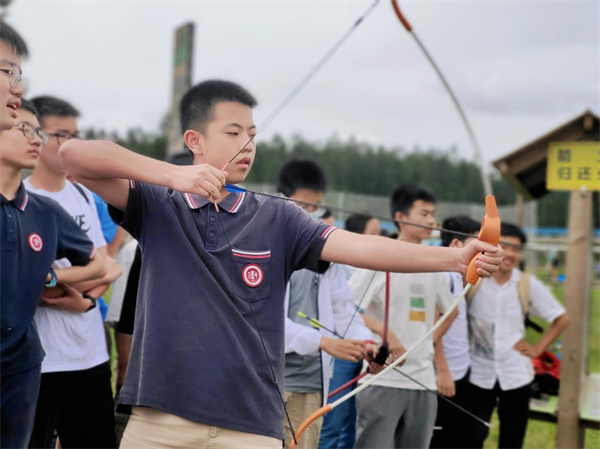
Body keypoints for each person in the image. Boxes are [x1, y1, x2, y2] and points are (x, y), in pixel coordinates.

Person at [59, 79, 503, 448]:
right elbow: (73, 157)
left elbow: (358, 246)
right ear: (194, 140)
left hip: (251, 424)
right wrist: (175, 176)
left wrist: (453, 256)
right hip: (161, 418)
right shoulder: (158, 202)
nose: (247, 144)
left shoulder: (278, 216)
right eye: (233, 133)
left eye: (252, 134)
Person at [0, 93, 104, 446]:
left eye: (37, 131)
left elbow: (101, 264)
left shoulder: (45, 211)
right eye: (23, 128)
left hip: (24, 364)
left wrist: (49, 277)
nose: (35, 139)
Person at [25, 96, 120, 448]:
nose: (71, 146)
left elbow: (108, 266)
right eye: (61, 135)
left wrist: (84, 300)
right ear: (33, 135)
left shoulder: (82, 193)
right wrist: (67, 291)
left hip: (89, 353)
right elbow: (26, 282)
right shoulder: (22, 198)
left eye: (76, 136)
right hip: (40, 361)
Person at [277, 160, 377, 449]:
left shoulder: (323, 251)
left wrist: (365, 342)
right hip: (270, 382)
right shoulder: (266, 242)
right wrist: (323, 342)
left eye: (317, 207)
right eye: (305, 206)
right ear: (283, 199)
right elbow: (264, 321)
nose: (312, 215)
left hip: (312, 385)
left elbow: (343, 309)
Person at [351, 184, 458, 449]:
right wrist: (384, 332)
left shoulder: (434, 262)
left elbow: (450, 309)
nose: (431, 220)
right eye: (423, 213)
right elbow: (347, 308)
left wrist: (429, 343)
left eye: (433, 214)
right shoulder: (380, 256)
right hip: (382, 378)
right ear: (400, 217)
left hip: (423, 381)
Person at [465, 222, 569, 449]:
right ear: (493, 246)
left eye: (517, 249)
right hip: (478, 373)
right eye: (506, 246)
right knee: (473, 437)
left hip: (516, 374)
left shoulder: (526, 284)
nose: (510, 254)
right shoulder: (475, 279)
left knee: (512, 439)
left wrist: (537, 349)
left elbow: (561, 318)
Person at [319, 212, 381, 449]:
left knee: (351, 422)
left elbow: (347, 312)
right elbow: (347, 309)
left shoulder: (371, 265)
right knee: (331, 422)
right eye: (373, 234)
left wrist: (366, 340)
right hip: (336, 354)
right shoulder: (333, 261)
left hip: (358, 348)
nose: (379, 239)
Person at [430, 215, 481, 449]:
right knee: (440, 439)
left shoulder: (460, 275)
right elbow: (433, 325)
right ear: (455, 246)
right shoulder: (442, 274)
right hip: (444, 375)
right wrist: (442, 369)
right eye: (476, 243)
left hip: (461, 368)